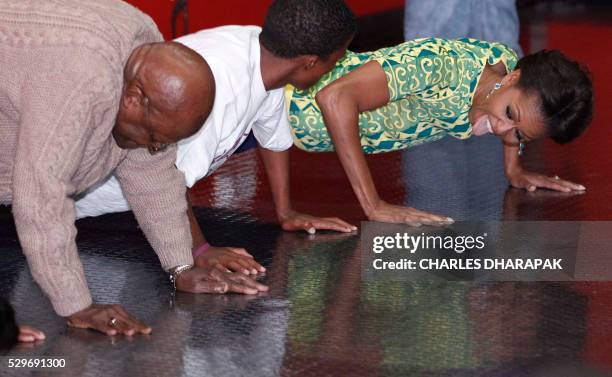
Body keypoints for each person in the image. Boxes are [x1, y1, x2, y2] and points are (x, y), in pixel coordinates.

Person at [0, 0, 267, 338]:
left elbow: (154, 175)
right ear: (131, 99)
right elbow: (40, 196)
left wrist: (181, 267)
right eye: (155, 137)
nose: (155, 148)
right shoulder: (82, 80)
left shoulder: (145, 58)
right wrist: (78, 305)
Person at [74, 0, 358, 275]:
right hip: (86, 196)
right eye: (334, 60)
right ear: (310, 63)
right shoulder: (215, 95)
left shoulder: (261, 53)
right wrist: (199, 251)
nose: (332, 69)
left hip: (130, 201)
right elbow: (168, 178)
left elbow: (273, 138)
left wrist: (286, 212)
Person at [287, 37, 593, 224]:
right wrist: (374, 205)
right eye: (509, 114)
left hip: (287, 135)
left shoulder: (503, 71)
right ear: (512, 79)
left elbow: (516, 121)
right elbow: (334, 98)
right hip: (282, 104)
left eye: (520, 135)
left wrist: (514, 170)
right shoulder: (439, 66)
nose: (501, 130)